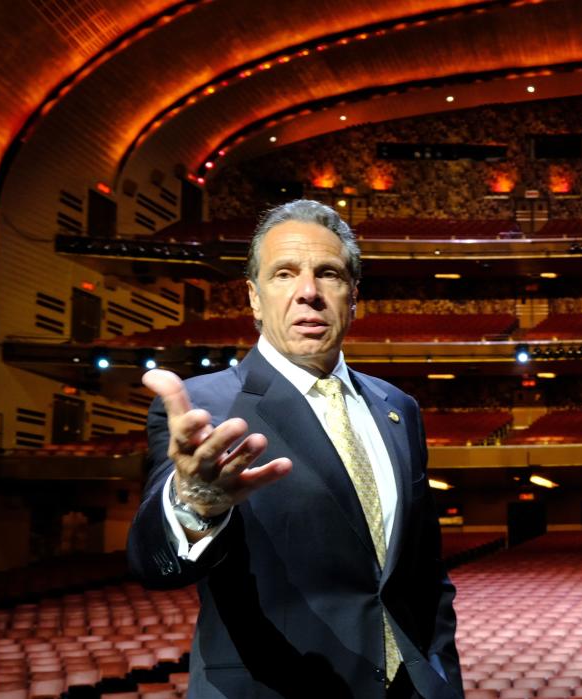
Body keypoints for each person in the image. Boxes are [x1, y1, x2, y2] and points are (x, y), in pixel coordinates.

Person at [128, 200, 464, 699]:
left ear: (353, 296)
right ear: (254, 297)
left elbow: (424, 576)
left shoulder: (399, 408)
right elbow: (154, 565)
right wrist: (194, 504)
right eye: (284, 274)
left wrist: (443, 683)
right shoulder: (205, 407)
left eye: (327, 273)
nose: (308, 292)